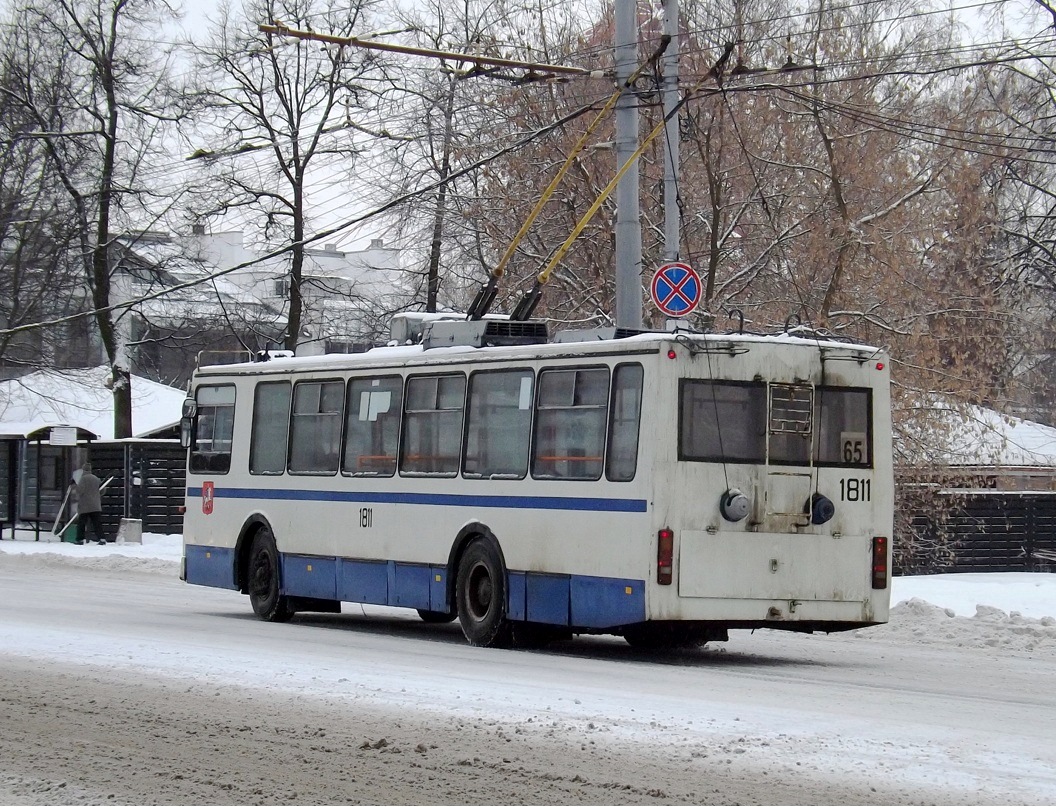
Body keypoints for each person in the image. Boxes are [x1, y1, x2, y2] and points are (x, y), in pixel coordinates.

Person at [74, 463, 107, 545]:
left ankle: (80, 539)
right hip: (96, 505)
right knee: (97, 523)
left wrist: (75, 487)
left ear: (83, 470)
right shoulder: (96, 479)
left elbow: (79, 491)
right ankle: (102, 538)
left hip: (85, 505)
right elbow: (103, 490)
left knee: (82, 523)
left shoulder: (83, 479)